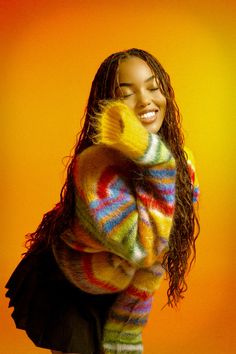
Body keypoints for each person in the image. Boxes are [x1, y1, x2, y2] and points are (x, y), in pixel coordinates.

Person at [5, 48, 200, 354]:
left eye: (153, 87)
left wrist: (127, 329)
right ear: (109, 109)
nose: (146, 101)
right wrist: (157, 163)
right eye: (127, 94)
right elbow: (144, 248)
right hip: (68, 284)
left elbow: (162, 247)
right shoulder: (97, 168)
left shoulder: (181, 162)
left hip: (113, 281)